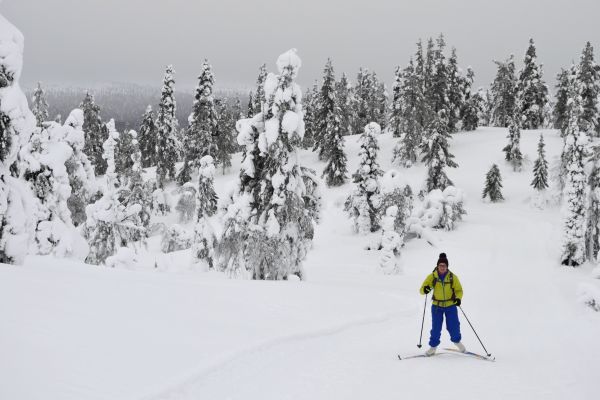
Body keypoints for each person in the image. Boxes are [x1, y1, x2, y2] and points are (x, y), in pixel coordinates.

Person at [419, 252, 465, 356]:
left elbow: (459, 290)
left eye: (444, 266)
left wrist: (458, 299)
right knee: (436, 328)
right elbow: (422, 290)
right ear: (437, 266)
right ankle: (433, 348)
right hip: (437, 306)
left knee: (454, 327)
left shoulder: (453, 277)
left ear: (447, 267)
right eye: (440, 265)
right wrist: (425, 289)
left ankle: (457, 342)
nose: (442, 267)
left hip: (451, 305)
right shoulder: (432, 277)